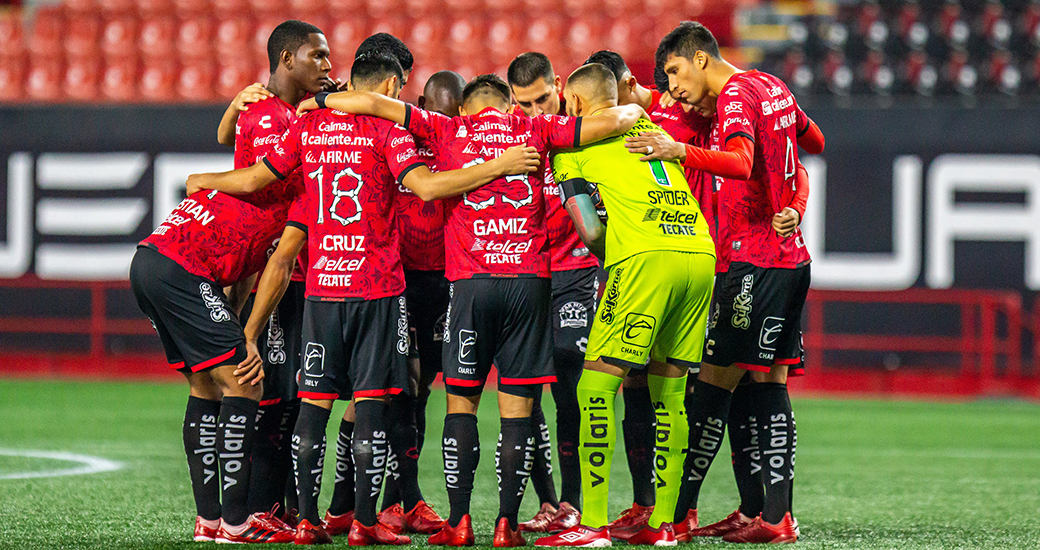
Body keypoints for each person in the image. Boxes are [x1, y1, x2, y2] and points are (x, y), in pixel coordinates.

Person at [185, 53, 542, 546]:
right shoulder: (389, 133)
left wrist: (203, 180)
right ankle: (364, 523)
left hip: (323, 288)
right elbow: (427, 187)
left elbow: (255, 177)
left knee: (313, 407)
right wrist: (499, 164)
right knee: (372, 406)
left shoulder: (308, 126)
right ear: (393, 86)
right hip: (377, 287)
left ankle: (307, 521)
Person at [299, 73, 646, 547]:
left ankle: (459, 521)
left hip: (470, 284)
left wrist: (318, 99)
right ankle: (506, 524)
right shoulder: (536, 128)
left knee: (461, 404)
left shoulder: (445, 130)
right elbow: (614, 119)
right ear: (509, 107)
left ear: (464, 110)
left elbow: (374, 104)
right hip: (529, 283)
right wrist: (637, 107)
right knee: (518, 410)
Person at [626, 21, 824, 544]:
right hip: (789, 259)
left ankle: (674, 517)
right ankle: (773, 516)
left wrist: (677, 151)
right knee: (766, 386)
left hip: (751, 263)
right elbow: (811, 145)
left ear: (700, 57)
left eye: (674, 71)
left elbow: (740, 162)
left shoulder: (735, 94)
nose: (673, 86)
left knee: (709, 391)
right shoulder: (771, 86)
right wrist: (796, 205)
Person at [533, 63, 716, 547]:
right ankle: (664, 526)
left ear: (572, 103)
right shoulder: (646, 124)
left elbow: (590, 230)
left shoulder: (571, 151)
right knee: (671, 394)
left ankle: (591, 526)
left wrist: (617, 256)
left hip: (644, 259)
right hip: (699, 254)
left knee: (594, 386)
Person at [208, 20, 336, 529]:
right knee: (272, 393)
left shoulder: (282, 110)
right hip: (268, 270)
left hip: (298, 268)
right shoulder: (266, 114)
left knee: (292, 397)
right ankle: (254, 509)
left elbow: (225, 135)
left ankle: (275, 508)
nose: (328, 66)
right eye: (318, 56)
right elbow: (266, 177)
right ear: (287, 59)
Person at [506, 51, 599, 534]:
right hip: (527, 277)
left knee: (567, 382)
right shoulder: (507, 140)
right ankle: (548, 501)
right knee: (525, 394)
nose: (535, 111)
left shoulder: (583, 134)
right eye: (523, 104)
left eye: (543, 98)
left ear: (559, 85)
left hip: (576, 278)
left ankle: (573, 501)